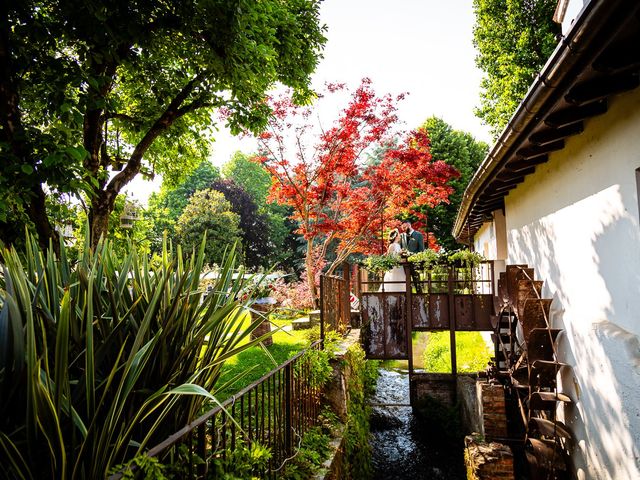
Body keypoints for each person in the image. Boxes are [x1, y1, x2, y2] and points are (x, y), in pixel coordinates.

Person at [400, 221, 425, 292]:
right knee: (406, 285)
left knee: (417, 283)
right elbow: (401, 248)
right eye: (402, 228)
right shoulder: (402, 236)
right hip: (404, 264)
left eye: (404, 227)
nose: (403, 229)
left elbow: (421, 250)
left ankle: (420, 299)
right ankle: (408, 301)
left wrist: (412, 255)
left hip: (415, 263)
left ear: (409, 225)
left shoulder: (418, 235)